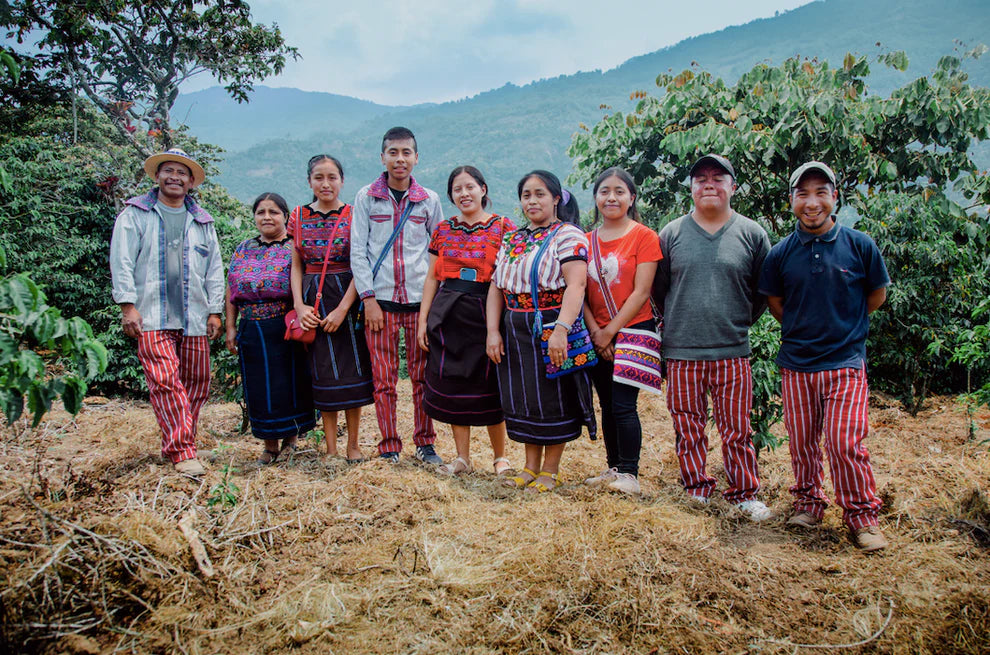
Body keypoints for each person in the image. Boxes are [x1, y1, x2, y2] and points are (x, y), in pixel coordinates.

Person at [759, 161, 890, 552]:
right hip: (797, 363)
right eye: (803, 193)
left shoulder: (860, 245)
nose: (812, 202)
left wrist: (844, 326)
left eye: (821, 192)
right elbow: (776, 303)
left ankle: (862, 516)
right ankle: (808, 502)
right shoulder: (780, 254)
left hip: (845, 361)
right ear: (791, 201)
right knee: (801, 442)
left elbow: (875, 296)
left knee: (844, 442)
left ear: (835, 197)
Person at [653, 154, 772, 520]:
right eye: (700, 178)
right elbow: (659, 291)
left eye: (718, 178)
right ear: (690, 188)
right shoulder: (671, 233)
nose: (709, 184)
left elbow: (762, 292)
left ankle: (744, 492)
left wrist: (735, 322)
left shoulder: (752, 234)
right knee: (687, 426)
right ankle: (696, 488)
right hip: (682, 351)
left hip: (732, 350)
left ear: (732, 187)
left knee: (736, 428)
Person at [109, 148, 223, 477]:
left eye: (182, 173)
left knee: (197, 382)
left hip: (194, 316)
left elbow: (214, 268)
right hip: (152, 315)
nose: (175, 177)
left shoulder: (202, 221)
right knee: (165, 381)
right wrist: (127, 305)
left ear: (190, 182)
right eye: (168, 170)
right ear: (157, 176)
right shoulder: (135, 215)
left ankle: (181, 439)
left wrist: (215, 310)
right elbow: (122, 260)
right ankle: (182, 450)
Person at [486, 170, 596, 493]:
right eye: (526, 195)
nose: (532, 201)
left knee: (553, 396)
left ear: (556, 199)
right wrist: (493, 331)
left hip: (550, 323)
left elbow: (576, 284)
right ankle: (529, 466)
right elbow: (496, 286)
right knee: (522, 396)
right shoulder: (512, 239)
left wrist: (561, 329)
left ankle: (550, 469)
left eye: (540, 194)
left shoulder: (569, 235)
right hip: (514, 327)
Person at [350, 127, 445, 464]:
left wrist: (435, 305)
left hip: (421, 304)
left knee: (422, 377)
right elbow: (357, 251)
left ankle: (425, 443)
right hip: (382, 303)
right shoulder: (366, 197)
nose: (400, 159)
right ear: (382, 157)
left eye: (406, 152)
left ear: (416, 158)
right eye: (393, 152)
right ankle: (389, 445)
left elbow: (440, 251)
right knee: (384, 379)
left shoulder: (429, 200)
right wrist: (368, 299)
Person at [417, 166, 514, 476]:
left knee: (489, 385)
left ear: (483, 189)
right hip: (448, 314)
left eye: (470, 187)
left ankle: (500, 457)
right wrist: (423, 321)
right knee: (456, 385)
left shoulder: (502, 227)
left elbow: (507, 276)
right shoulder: (443, 229)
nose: (464, 194)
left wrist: (497, 327)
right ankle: (462, 458)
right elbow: (432, 279)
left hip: (488, 310)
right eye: (457, 190)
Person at [582, 168, 663, 496]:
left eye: (619, 191)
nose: (611, 197)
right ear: (596, 198)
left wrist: (610, 332)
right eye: (604, 191)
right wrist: (596, 332)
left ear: (631, 198)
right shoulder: (585, 241)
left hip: (634, 330)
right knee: (605, 403)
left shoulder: (644, 236)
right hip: (596, 332)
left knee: (623, 404)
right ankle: (613, 466)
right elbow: (578, 292)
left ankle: (630, 472)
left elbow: (642, 292)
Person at [289, 155, 374, 462]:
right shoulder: (297, 216)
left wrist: (342, 309)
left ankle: (353, 445)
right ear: (309, 181)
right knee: (323, 371)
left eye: (332, 177)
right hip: (312, 297)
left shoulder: (354, 214)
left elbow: (360, 262)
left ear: (341, 180)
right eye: (319, 177)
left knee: (353, 370)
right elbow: (296, 262)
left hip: (347, 296)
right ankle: (330, 448)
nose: (326, 184)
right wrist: (299, 305)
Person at [225, 193, 316, 464]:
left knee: (287, 383)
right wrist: (231, 326)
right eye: (261, 211)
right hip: (251, 328)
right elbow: (231, 289)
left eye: (274, 212)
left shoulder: (294, 248)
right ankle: (269, 444)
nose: (267, 217)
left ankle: (291, 440)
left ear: (286, 216)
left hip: (284, 326)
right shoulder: (243, 248)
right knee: (258, 386)